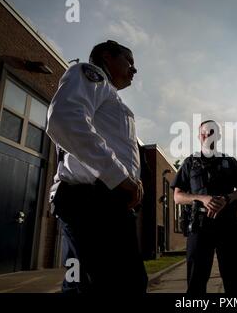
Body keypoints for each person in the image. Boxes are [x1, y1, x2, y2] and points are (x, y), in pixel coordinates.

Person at [46, 40, 147, 293]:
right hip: (93, 205)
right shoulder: (92, 76)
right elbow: (64, 119)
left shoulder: (110, 98)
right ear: (107, 56)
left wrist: (133, 179)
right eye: (129, 61)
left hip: (105, 204)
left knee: (86, 285)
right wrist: (120, 177)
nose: (134, 70)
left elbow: (113, 145)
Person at [171, 120, 237, 294]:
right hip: (199, 228)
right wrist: (202, 198)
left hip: (228, 227)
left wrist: (227, 198)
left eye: (212, 132)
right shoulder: (190, 163)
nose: (207, 135)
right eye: (204, 132)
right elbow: (177, 196)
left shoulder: (230, 162)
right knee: (196, 282)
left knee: (233, 281)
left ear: (218, 135)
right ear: (199, 136)